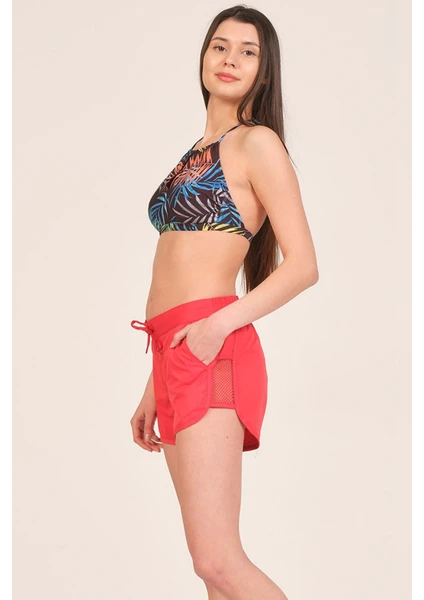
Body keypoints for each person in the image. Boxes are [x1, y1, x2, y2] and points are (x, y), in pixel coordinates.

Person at [130, 5, 318, 599]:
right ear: (204, 57)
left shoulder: (256, 143)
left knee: (218, 560)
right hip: (173, 349)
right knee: (208, 572)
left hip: (214, 349)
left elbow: (304, 266)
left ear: (264, 69)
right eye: (220, 46)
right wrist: (154, 382)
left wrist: (218, 326)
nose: (231, 59)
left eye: (248, 51)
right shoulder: (196, 149)